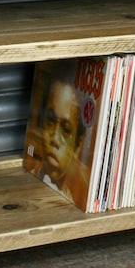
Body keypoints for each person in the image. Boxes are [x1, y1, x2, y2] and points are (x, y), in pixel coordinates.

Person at [25, 77, 90, 207]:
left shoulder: (81, 198)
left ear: (78, 145)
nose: (54, 138)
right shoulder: (29, 176)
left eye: (66, 130)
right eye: (50, 121)